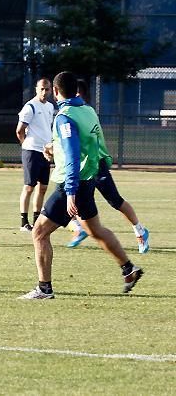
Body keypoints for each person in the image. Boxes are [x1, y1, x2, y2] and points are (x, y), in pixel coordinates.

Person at [20, 71, 143, 299]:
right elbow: (91, 144)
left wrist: (70, 192)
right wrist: (53, 149)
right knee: (95, 230)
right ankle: (129, 269)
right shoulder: (88, 110)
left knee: (38, 232)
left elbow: (73, 155)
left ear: (55, 91)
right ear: (76, 90)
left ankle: (44, 289)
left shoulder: (64, 117)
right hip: (88, 179)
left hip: (72, 184)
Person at [65, 80, 150, 252]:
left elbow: (88, 141)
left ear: (79, 94)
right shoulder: (70, 113)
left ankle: (140, 230)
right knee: (71, 198)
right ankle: (79, 228)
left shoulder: (86, 112)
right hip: (82, 167)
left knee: (115, 200)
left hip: (96, 164)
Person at [16, 78, 55, 231]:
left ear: (51, 90)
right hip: (31, 151)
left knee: (43, 187)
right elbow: (19, 130)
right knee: (29, 187)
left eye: (47, 89)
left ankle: (36, 221)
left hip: (45, 152)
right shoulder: (30, 106)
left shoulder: (50, 107)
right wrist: (25, 144)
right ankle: (24, 223)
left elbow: (47, 127)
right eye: (42, 89)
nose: (44, 92)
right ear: (36, 89)